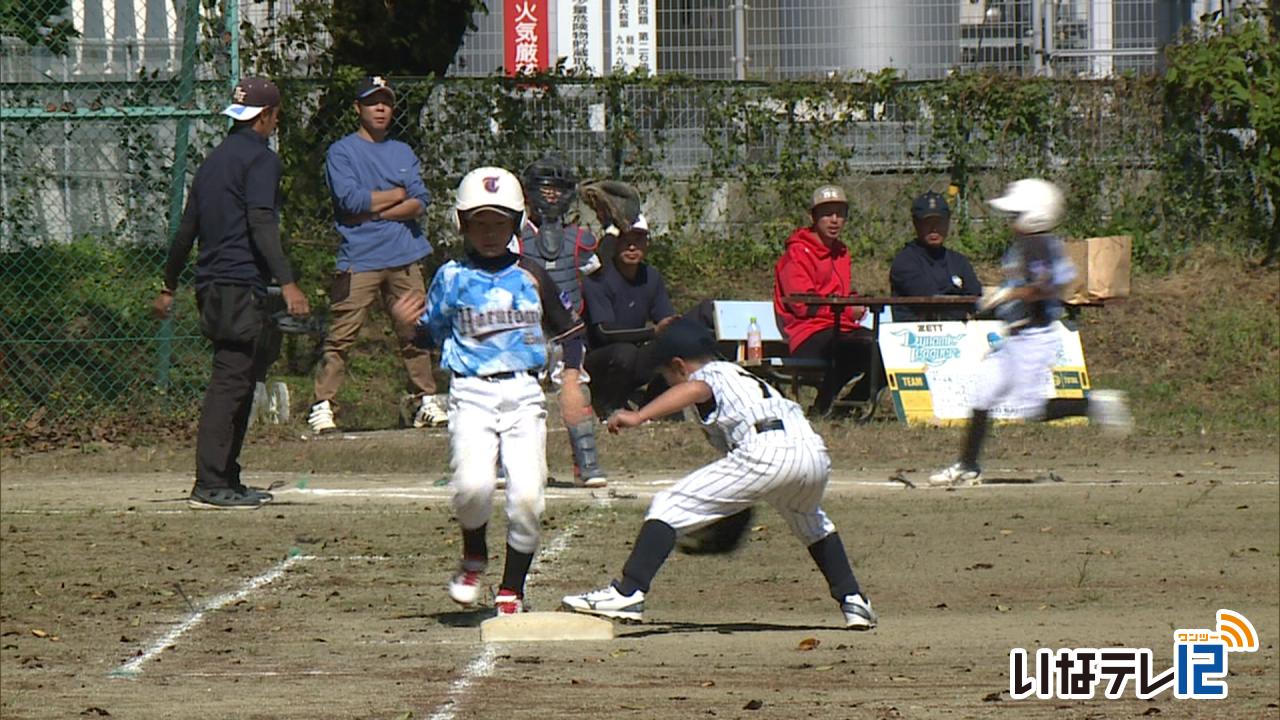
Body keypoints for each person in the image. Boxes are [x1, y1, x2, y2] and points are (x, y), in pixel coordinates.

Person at [560, 318, 876, 630]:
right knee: (811, 522)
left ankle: (627, 593)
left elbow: (696, 389)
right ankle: (854, 600)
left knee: (668, 505)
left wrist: (640, 414)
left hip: (768, 448)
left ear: (679, 365)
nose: (668, 381)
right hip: (812, 452)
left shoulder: (709, 375)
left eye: (666, 374)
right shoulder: (743, 377)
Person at [390, 167, 591, 616]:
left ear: (517, 223)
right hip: (471, 395)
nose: (489, 233)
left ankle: (511, 587)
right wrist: (409, 326)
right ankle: (474, 554)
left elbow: (571, 331)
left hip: (523, 396)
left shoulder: (532, 273)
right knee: (472, 488)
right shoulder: (452, 276)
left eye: (499, 223)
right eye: (479, 223)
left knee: (527, 497)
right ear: (462, 224)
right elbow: (430, 335)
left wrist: (574, 379)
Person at [152, 76, 310, 510]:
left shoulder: (214, 161)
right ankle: (210, 483)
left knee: (239, 380)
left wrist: (169, 285)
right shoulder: (262, 161)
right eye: (275, 116)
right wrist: (289, 282)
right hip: (241, 285)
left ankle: (228, 477)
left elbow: (187, 230)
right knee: (230, 383)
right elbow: (261, 221)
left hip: (212, 285)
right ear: (267, 117)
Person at [929, 179, 1132, 487]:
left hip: (1034, 337)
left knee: (1033, 408)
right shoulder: (1035, 244)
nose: (1012, 222)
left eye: (1017, 215)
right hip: (1019, 336)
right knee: (983, 391)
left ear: (1035, 215)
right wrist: (1004, 293)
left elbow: (1047, 287)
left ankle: (1094, 403)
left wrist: (1007, 295)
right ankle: (967, 465)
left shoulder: (1038, 245)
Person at [307, 75, 445, 434]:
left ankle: (424, 401)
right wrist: (396, 195)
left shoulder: (402, 151)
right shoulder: (342, 151)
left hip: (404, 253)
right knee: (342, 334)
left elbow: (419, 202)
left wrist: (378, 209)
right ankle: (323, 405)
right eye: (372, 102)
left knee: (415, 329)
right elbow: (349, 200)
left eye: (385, 102)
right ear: (358, 109)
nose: (380, 108)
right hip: (360, 256)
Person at [512, 155, 607, 487]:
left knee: (576, 390)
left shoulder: (579, 237)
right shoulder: (515, 234)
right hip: (524, 330)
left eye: (558, 189)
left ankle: (587, 465)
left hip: (568, 331)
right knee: (517, 396)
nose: (551, 196)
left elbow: (597, 269)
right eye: (544, 188)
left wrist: (616, 224)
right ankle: (510, 466)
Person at [773, 184, 882, 417]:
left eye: (840, 214)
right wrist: (844, 310)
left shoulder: (842, 252)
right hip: (807, 334)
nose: (834, 220)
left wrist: (855, 303)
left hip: (840, 328)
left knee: (888, 350)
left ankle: (848, 406)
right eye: (827, 214)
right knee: (858, 349)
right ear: (814, 217)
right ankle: (825, 406)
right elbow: (801, 305)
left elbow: (839, 295)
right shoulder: (797, 253)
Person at [580, 216, 678, 419]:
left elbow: (665, 320)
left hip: (633, 357)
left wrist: (674, 328)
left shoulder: (651, 276)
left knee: (676, 344)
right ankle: (608, 405)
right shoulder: (598, 278)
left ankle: (654, 405)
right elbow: (604, 331)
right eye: (626, 241)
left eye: (638, 241)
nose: (632, 247)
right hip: (599, 361)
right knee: (625, 352)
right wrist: (653, 331)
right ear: (615, 244)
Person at [889, 190, 982, 322]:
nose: (934, 228)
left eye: (939, 222)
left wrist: (951, 295)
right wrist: (958, 293)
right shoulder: (905, 261)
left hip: (957, 334)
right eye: (928, 222)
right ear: (916, 224)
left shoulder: (959, 261)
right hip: (917, 336)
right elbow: (931, 301)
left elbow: (975, 296)